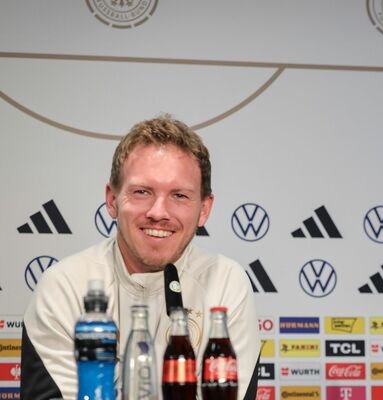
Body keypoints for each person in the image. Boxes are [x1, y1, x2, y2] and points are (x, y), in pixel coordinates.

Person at [22, 116, 260, 400]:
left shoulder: (226, 282)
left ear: (204, 209)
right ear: (112, 199)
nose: (158, 212)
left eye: (180, 195)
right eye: (142, 192)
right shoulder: (64, 286)